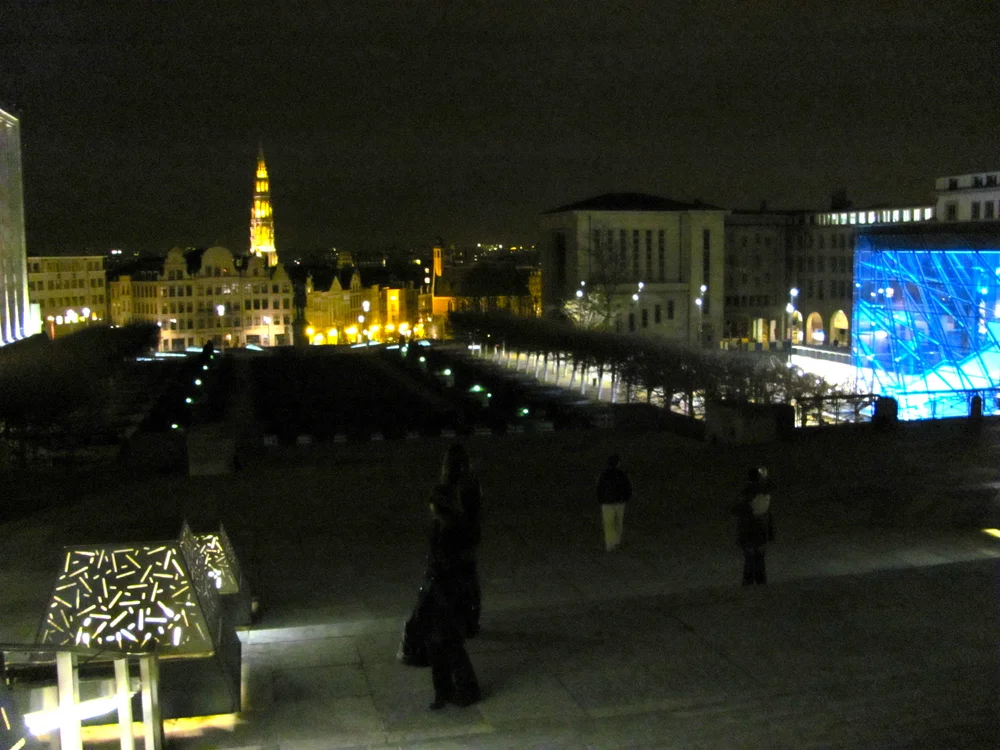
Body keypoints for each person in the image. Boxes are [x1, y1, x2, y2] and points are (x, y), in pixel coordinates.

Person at [423, 484, 481, 710]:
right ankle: (446, 690)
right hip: (447, 594)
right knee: (443, 644)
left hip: (447, 594)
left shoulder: (448, 530)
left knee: (446, 644)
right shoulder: (447, 526)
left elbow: (446, 564)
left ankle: (454, 690)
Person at [440, 443, 483, 636]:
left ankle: (458, 619)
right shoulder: (470, 483)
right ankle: (470, 620)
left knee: (453, 581)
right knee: (468, 579)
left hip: (452, 540)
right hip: (467, 538)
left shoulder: (446, 487)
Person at [732, 466, 775, 585]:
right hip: (762, 526)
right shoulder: (765, 491)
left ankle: (749, 581)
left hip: (749, 527)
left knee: (750, 556)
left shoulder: (747, 492)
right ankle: (761, 580)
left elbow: (736, 509)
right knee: (760, 555)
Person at [596, 454, 631, 552]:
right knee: (618, 522)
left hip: (607, 502)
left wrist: (600, 499)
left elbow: (599, 488)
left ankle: (610, 544)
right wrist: (626, 498)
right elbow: (627, 487)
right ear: (618, 463)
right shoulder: (622, 474)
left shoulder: (604, 475)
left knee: (609, 524)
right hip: (619, 502)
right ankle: (616, 542)